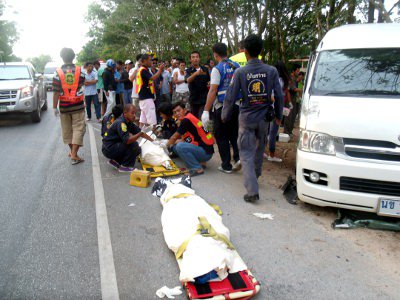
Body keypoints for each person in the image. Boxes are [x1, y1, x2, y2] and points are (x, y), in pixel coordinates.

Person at [222, 34, 283, 202]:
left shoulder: (240, 72)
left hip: (247, 118)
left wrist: (225, 115)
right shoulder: (271, 71)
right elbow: (279, 95)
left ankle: (252, 191)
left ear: (245, 51)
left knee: (246, 152)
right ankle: (256, 175)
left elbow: (230, 96)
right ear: (260, 50)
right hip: (264, 118)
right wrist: (279, 116)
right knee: (259, 148)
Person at [202, 42, 241, 174]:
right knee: (234, 133)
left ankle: (226, 165)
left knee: (221, 135)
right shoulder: (237, 66)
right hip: (236, 106)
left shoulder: (217, 69)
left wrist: (206, 110)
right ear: (227, 52)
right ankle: (238, 158)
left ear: (215, 54)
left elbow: (213, 91)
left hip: (222, 107)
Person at [52, 47, 86, 165]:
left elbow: (56, 92)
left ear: (62, 57)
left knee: (67, 130)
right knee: (78, 128)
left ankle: (72, 152)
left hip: (64, 107)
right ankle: (74, 154)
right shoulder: (80, 71)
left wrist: (54, 107)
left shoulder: (58, 73)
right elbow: (81, 86)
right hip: (78, 105)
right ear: (73, 57)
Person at [165, 102, 214, 177]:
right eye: (175, 112)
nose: (177, 113)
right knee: (175, 147)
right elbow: (184, 139)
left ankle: (197, 168)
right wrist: (170, 144)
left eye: (179, 111)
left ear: (184, 110)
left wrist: (164, 145)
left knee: (179, 146)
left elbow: (174, 137)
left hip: (206, 152)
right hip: (205, 149)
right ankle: (201, 162)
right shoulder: (188, 117)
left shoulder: (186, 120)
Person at [102, 104, 153, 172]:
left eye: (135, 113)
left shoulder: (128, 122)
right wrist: (139, 134)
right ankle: (125, 166)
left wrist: (153, 141)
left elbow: (141, 132)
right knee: (134, 145)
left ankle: (115, 162)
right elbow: (127, 141)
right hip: (109, 149)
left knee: (137, 150)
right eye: (132, 113)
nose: (134, 115)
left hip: (112, 146)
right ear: (125, 113)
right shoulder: (121, 123)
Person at [267, 61, 290, 162]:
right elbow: (278, 97)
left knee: (267, 132)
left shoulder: (271, 79)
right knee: (273, 132)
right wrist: (279, 114)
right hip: (275, 109)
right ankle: (271, 155)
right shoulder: (280, 81)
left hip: (267, 108)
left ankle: (261, 151)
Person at [135, 54, 164, 127]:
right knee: (151, 119)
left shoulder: (142, 69)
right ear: (144, 61)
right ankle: (152, 136)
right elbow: (153, 78)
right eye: (150, 60)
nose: (151, 61)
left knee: (143, 118)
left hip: (143, 97)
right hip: (146, 97)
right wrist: (160, 70)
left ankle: (141, 133)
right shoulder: (143, 70)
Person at [185, 51, 210, 119]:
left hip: (204, 99)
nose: (195, 59)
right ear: (190, 59)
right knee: (195, 120)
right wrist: (196, 73)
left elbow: (209, 80)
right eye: (193, 57)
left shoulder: (205, 69)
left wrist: (209, 83)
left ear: (199, 58)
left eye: (197, 57)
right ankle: (197, 129)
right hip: (194, 100)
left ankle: (203, 129)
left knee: (202, 118)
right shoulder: (188, 70)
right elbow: (188, 80)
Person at [284, 64, 301, 135]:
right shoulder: (290, 78)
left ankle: (289, 131)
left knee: (293, 116)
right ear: (293, 71)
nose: (298, 72)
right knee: (288, 116)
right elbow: (293, 89)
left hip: (293, 99)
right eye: (297, 71)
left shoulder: (294, 78)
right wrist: (301, 90)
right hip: (289, 99)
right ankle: (286, 131)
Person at [129, 54, 142, 121]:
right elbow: (131, 79)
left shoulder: (145, 69)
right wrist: (136, 69)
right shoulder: (132, 70)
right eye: (140, 60)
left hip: (144, 95)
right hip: (135, 95)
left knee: (143, 115)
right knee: (136, 115)